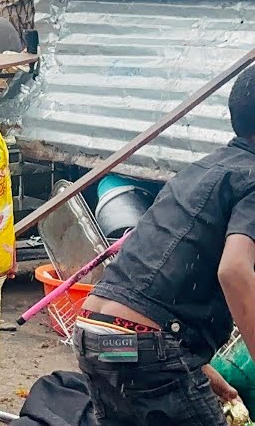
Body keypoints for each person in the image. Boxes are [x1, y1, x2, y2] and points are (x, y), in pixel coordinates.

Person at [76, 65, 255, 425]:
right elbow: (235, 270)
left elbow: (158, 281)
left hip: (98, 337)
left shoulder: (203, 170)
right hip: (146, 346)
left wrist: (195, 365)